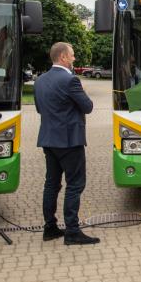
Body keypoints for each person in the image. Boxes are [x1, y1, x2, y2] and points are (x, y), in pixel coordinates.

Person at [34, 42, 99, 244]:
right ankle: (72, 231)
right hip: (69, 141)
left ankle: (50, 228)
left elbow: (38, 109)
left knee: (51, 184)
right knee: (75, 184)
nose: (74, 58)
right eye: (72, 55)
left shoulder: (40, 80)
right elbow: (88, 107)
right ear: (62, 57)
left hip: (48, 139)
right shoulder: (71, 80)